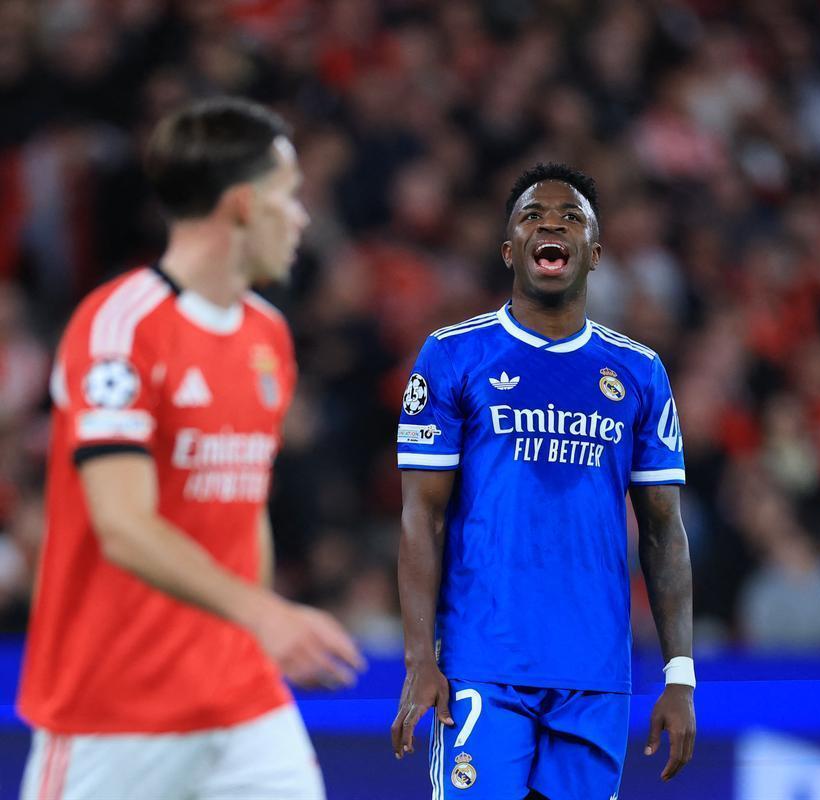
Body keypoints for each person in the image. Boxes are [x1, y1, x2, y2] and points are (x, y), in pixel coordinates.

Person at [17, 97, 365, 800]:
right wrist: (266, 614)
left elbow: (243, 508)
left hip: (241, 698)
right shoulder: (118, 329)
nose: (299, 217)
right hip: (114, 708)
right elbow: (123, 525)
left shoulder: (267, 335)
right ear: (241, 206)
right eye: (287, 196)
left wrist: (257, 629)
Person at [391, 163, 696, 798]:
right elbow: (423, 516)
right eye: (532, 215)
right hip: (484, 661)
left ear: (595, 254)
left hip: (595, 670)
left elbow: (664, 529)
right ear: (510, 250)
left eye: (570, 217)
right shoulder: (452, 356)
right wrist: (421, 658)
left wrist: (680, 674)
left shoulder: (638, 373)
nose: (550, 223)